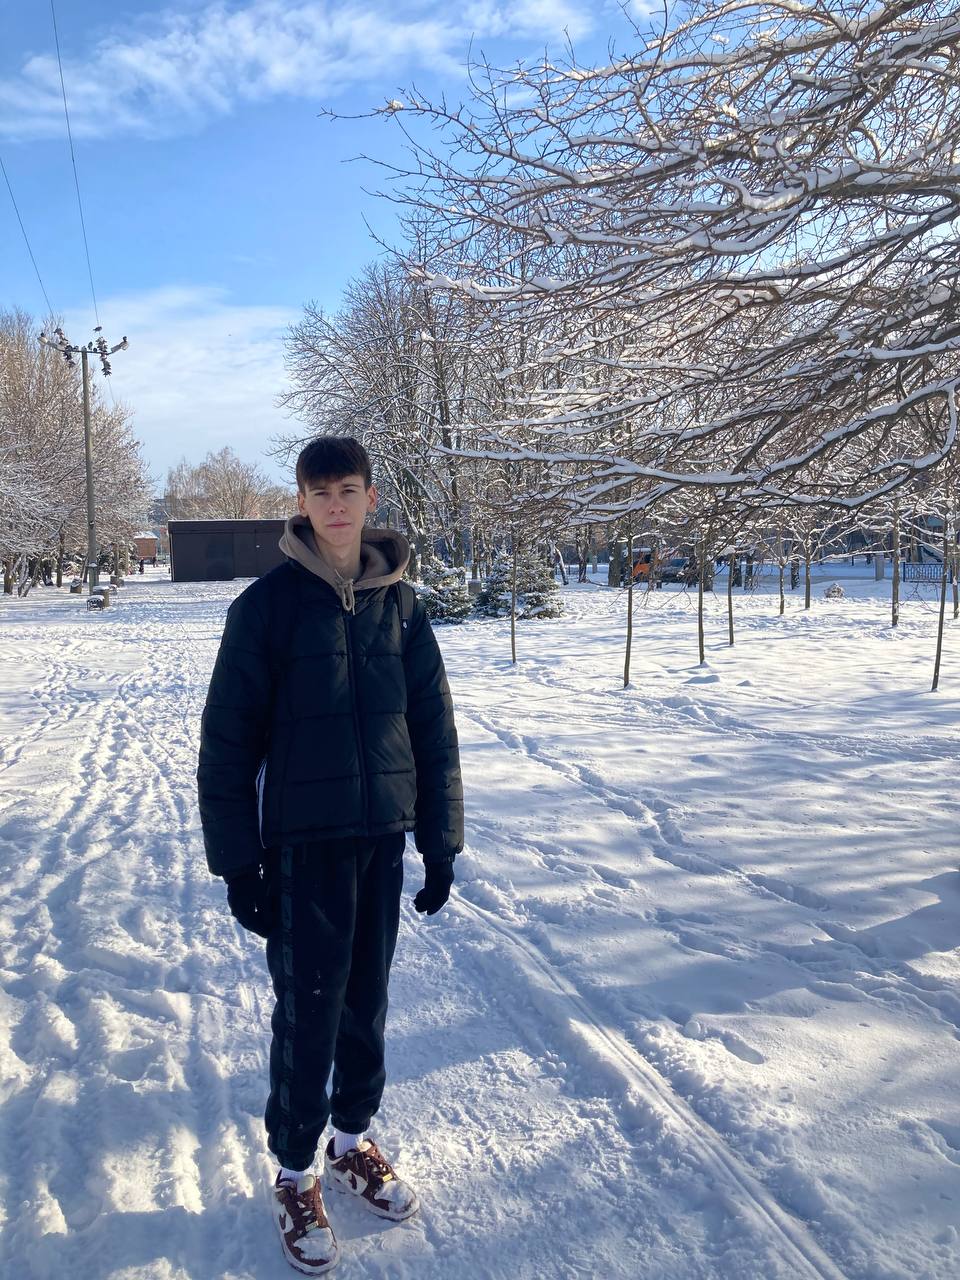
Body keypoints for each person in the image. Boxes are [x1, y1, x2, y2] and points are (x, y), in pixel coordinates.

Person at [197, 436, 463, 1274]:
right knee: (308, 1009)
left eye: (349, 490)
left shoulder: (402, 605)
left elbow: (433, 728)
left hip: (380, 837)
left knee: (366, 1003)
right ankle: (293, 1171)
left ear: (371, 498)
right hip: (303, 848)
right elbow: (227, 743)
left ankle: (351, 1143)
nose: (336, 506)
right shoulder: (266, 609)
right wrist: (239, 863)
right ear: (302, 504)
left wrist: (439, 841)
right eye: (321, 493)